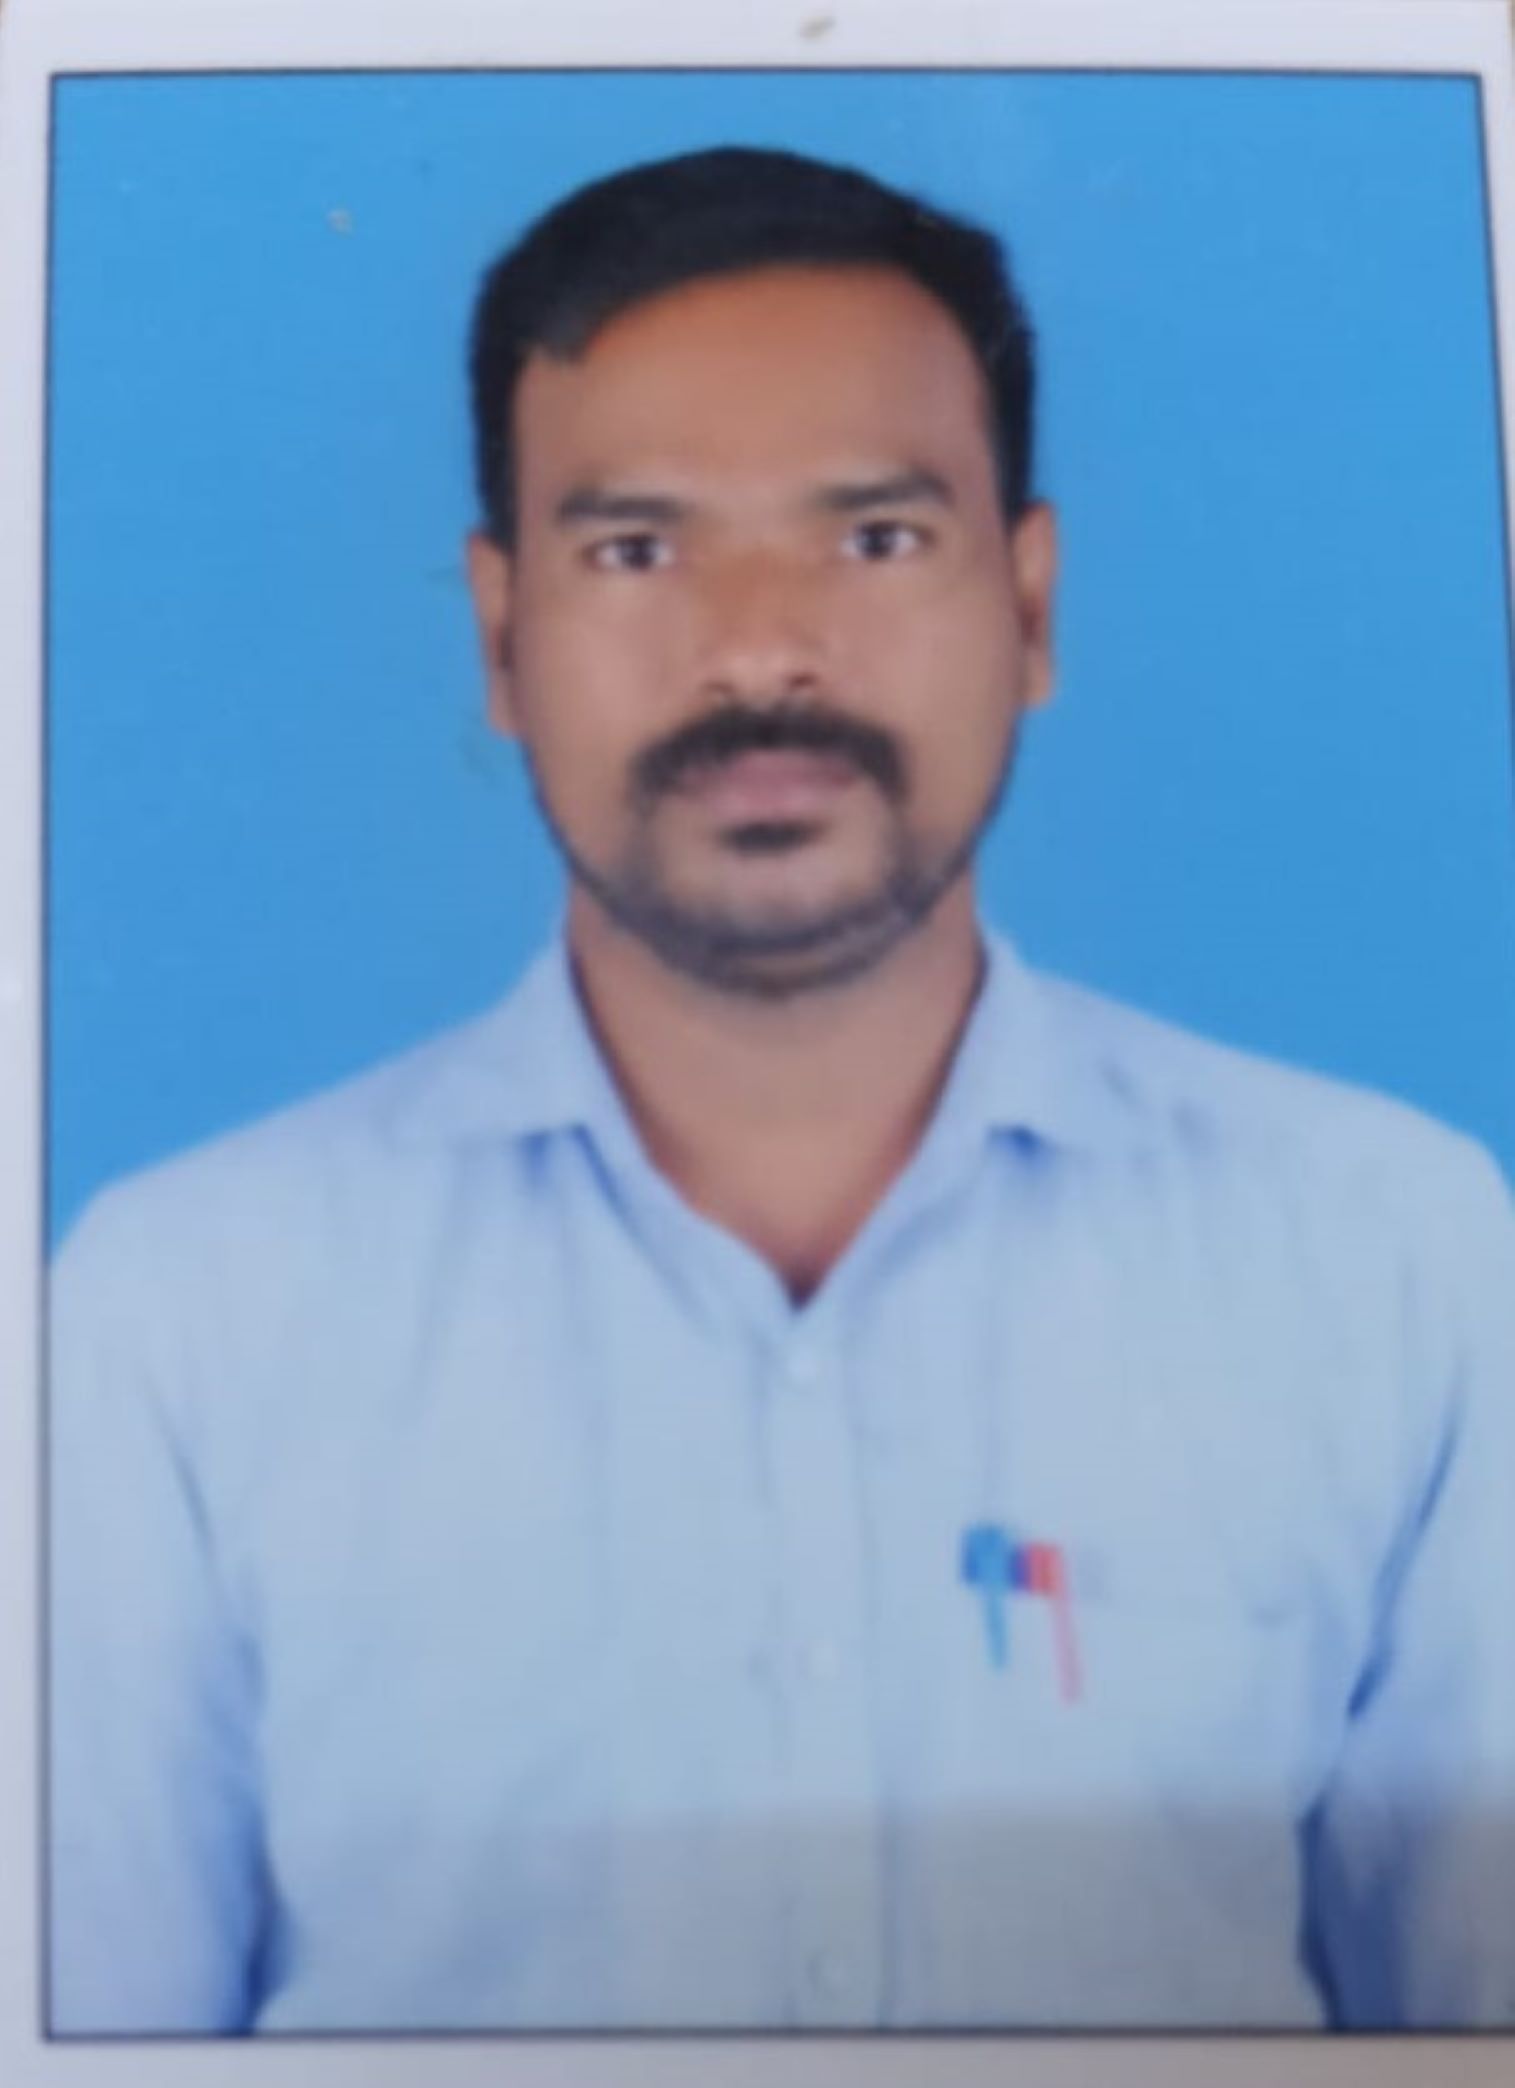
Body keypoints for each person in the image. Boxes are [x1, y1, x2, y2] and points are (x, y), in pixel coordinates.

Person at [49, 145, 1515, 2037]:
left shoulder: (1394, 1255)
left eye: (876, 538)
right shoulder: (182, 1314)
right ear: (500, 635)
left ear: (1033, 608)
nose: (757, 649)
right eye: (636, 550)